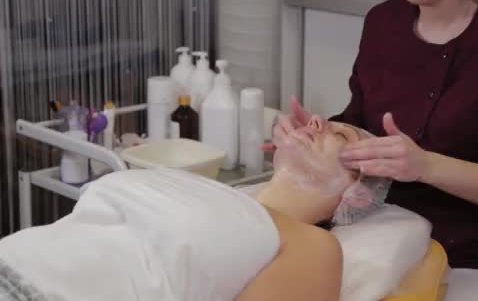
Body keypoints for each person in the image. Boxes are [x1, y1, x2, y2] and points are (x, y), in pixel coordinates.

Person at [267, 0, 478, 300]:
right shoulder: (383, 22)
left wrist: (427, 166)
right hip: (381, 235)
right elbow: (360, 125)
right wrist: (315, 134)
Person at [0, 117, 387, 301]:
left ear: (357, 195)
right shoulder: (198, 186)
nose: (317, 120)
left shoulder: (311, 245)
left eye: (340, 135)